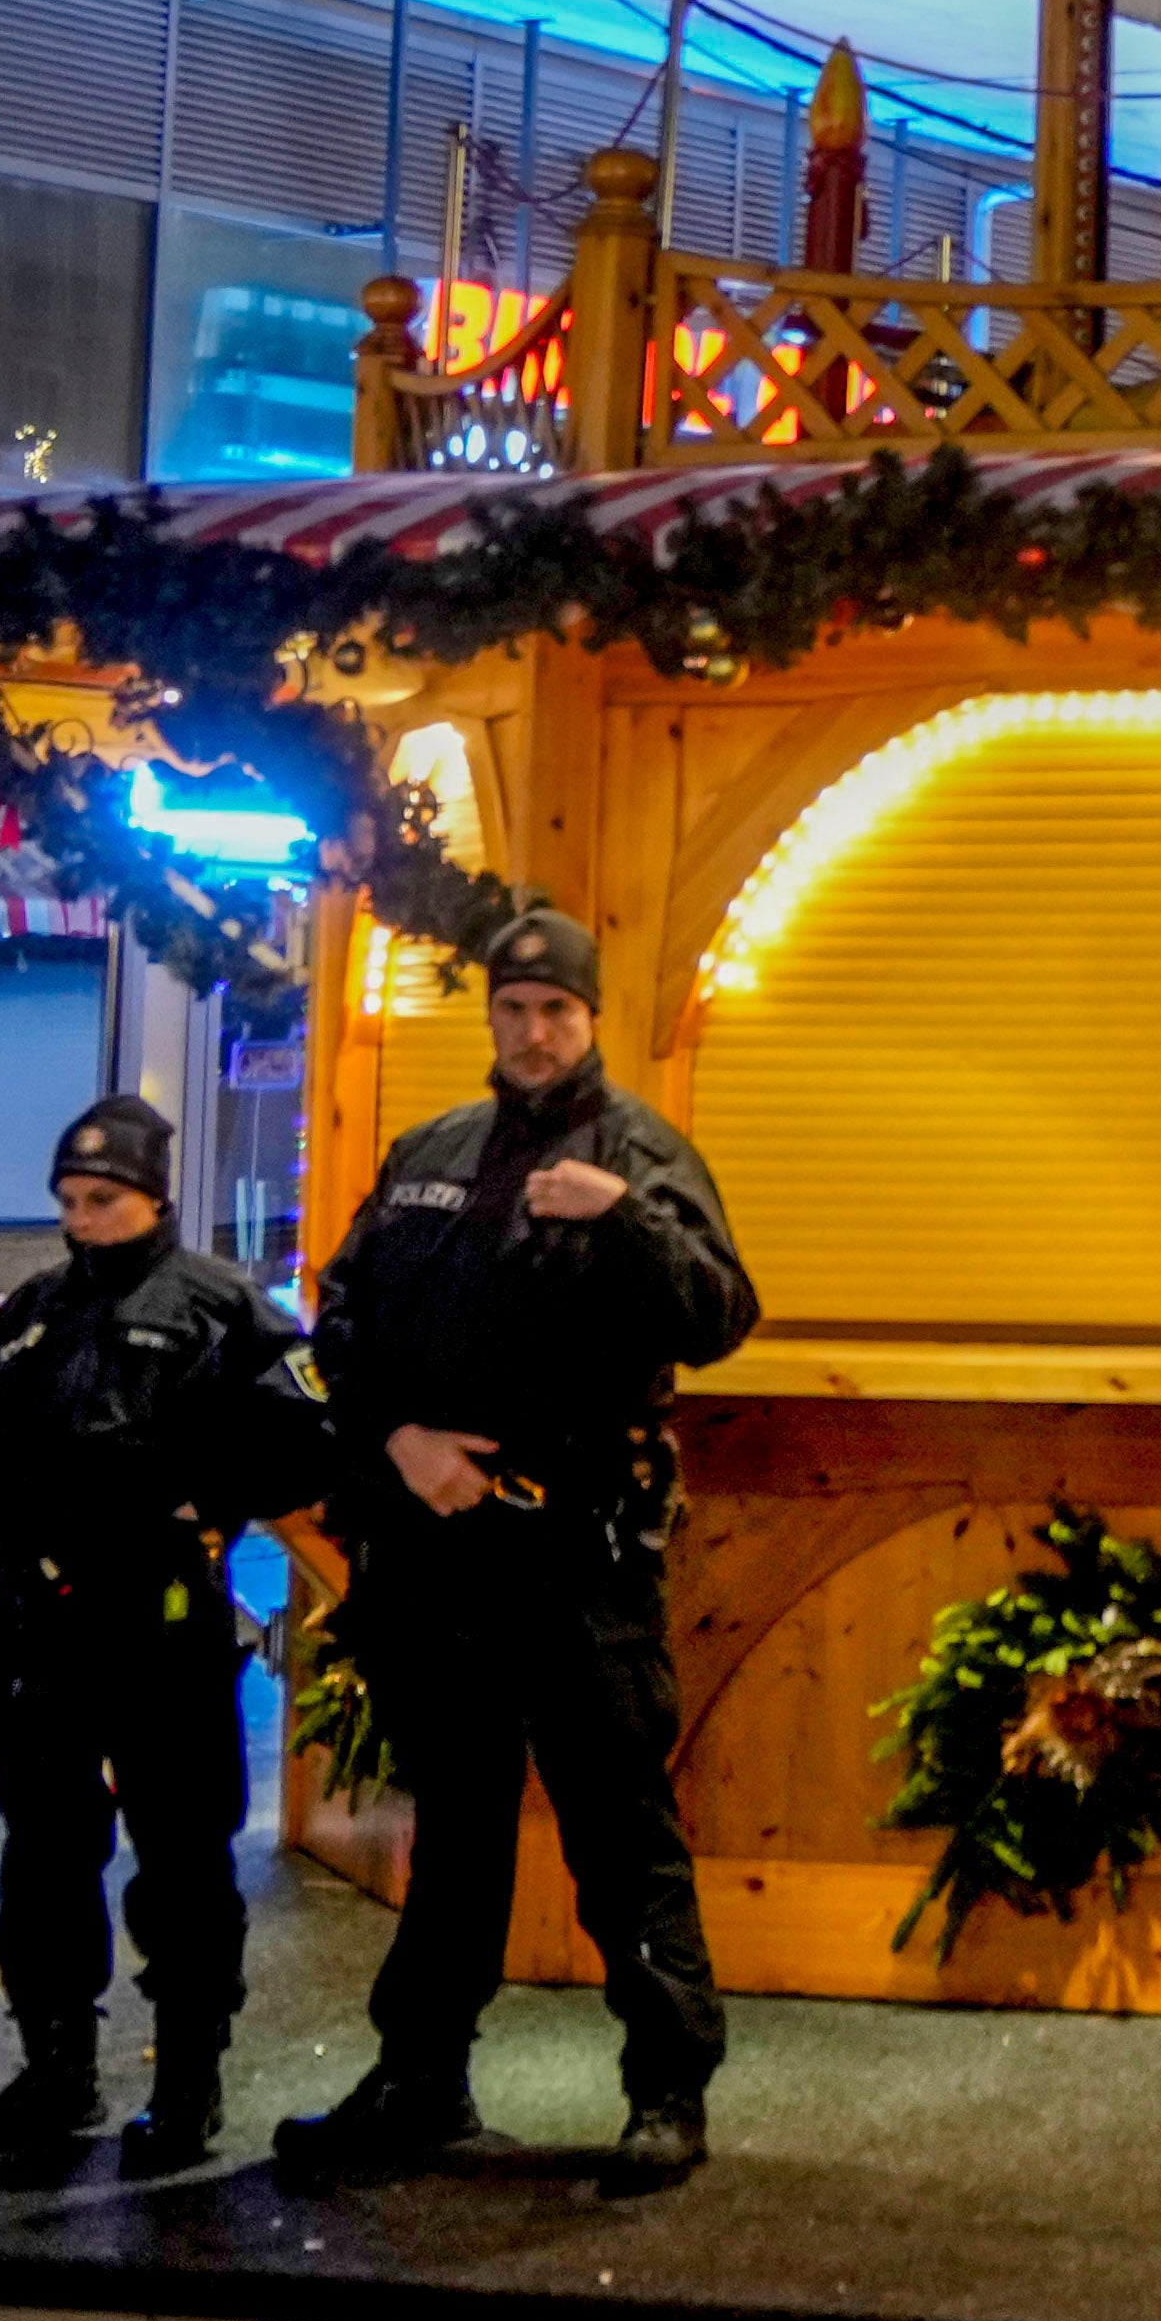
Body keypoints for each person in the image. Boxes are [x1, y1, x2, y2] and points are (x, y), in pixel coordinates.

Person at [277, 905, 759, 2185]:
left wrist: (623, 1220)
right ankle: (421, 2080)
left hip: (578, 1555)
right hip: (438, 1552)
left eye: (557, 1010)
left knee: (618, 1834)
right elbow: (343, 1316)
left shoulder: (640, 1152)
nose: (534, 1032)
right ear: (489, 1018)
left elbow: (721, 1316)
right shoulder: (433, 1149)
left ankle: (667, 2093)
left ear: (590, 1019)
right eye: (513, 1009)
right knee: (459, 1834)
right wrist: (396, 1443)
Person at [0, 1091, 313, 2180]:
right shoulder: (34, 1311)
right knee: (45, 1859)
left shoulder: (220, 1305)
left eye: (102, 1199)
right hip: (43, 1623)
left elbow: (307, 1435)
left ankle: (186, 2082)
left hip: (163, 1624)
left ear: (152, 1197)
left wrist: (209, 1501)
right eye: (68, 1200)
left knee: (183, 1863)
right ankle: (56, 2072)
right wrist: (10, 1519)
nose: (82, 1218)